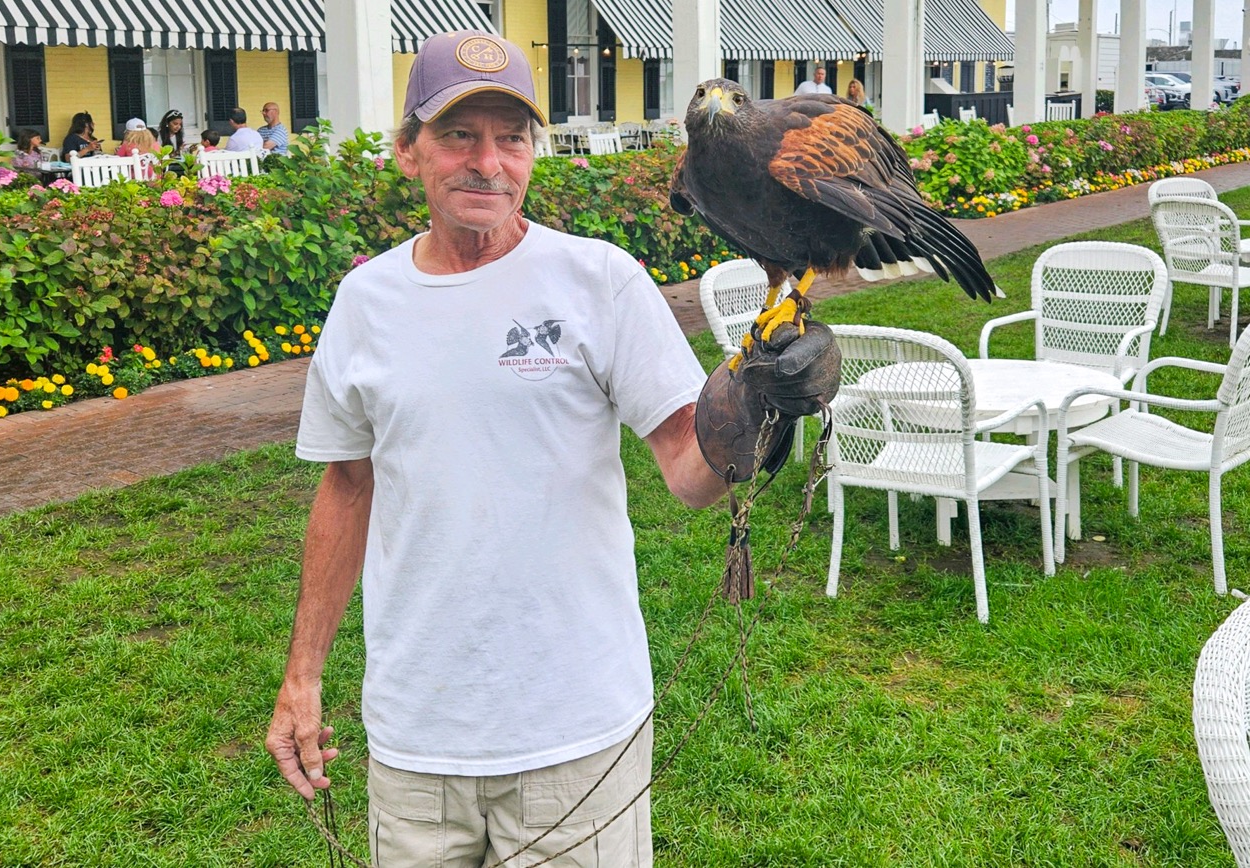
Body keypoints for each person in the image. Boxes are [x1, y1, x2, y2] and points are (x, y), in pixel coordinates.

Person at [264, 28, 833, 868]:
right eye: (458, 135)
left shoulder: (599, 281)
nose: (486, 162)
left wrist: (767, 406)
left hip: (576, 731)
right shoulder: (365, 301)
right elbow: (348, 486)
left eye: (511, 137)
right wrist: (302, 674)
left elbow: (689, 468)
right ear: (408, 151)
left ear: (534, 153)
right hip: (416, 734)